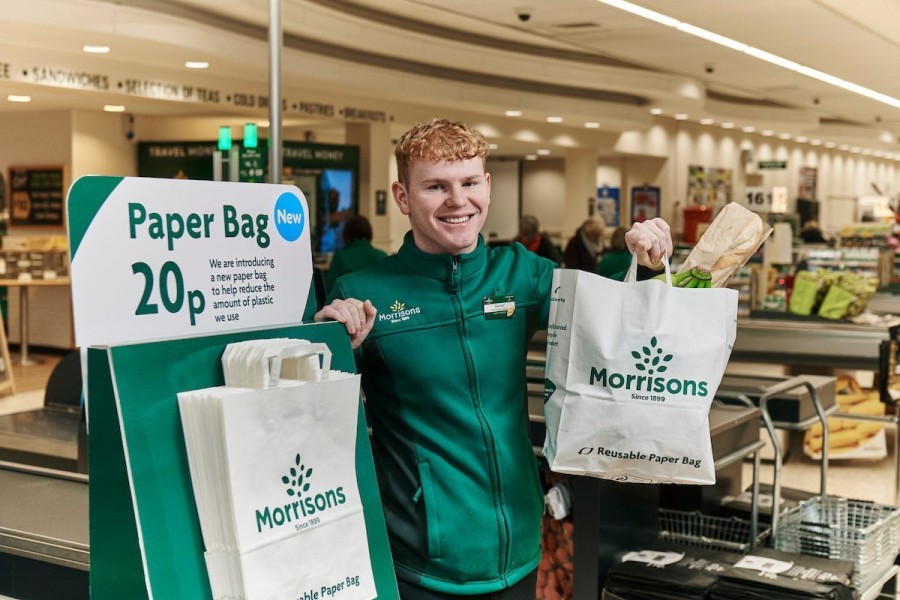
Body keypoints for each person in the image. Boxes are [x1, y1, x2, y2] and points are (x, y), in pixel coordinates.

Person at [314, 118, 672, 598]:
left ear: (487, 185)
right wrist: (331, 346)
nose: (457, 200)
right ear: (402, 197)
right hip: (421, 561)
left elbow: (620, 319)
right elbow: (318, 417)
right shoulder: (364, 294)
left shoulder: (522, 274)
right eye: (436, 186)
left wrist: (647, 264)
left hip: (519, 548)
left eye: (468, 183)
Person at [324, 214, 388, 292]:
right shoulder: (382, 256)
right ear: (369, 233)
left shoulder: (341, 257)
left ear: (346, 235)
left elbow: (330, 289)